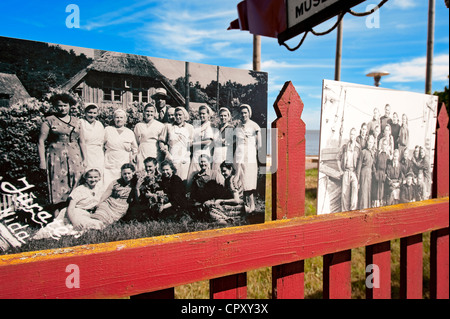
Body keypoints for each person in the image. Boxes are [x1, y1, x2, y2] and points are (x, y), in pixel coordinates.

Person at [38, 93, 87, 206]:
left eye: (65, 105)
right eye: (59, 105)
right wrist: (42, 161)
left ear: (70, 106)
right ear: (55, 106)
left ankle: (73, 210)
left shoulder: (77, 121)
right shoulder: (49, 120)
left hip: (74, 155)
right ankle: (57, 214)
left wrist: (85, 159)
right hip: (56, 156)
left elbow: (82, 141)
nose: (62, 108)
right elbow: (41, 141)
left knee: (76, 180)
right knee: (57, 183)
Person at [88, 163, 138, 229]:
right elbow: (106, 193)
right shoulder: (116, 182)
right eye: (124, 174)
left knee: (106, 220)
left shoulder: (136, 183)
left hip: (121, 207)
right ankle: (90, 225)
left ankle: (96, 227)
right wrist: (99, 203)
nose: (127, 176)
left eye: (129, 173)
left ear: (133, 173)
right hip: (109, 203)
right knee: (99, 213)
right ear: (121, 174)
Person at [234, 104, 261, 213]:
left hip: (249, 155)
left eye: (246, 112)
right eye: (242, 113)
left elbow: (259, 144)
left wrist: (254, 153)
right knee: (240, 179)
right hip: (239, 154)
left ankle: (252, 205)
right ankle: (243, 205)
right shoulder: (238, 127)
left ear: (249, 113)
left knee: (249, 180)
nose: (244, 114)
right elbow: (235, 140)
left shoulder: (255, 126)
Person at [103, 109, 138, 190]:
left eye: (121, 117)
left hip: (124, 160)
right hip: (110, 161)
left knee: (121, 184)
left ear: (125, 119)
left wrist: (133, 156)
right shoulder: (108, 130)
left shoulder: (129, 132)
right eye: (117, 117)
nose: (119, 120)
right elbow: (101, 144)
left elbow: (135, 149)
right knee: (108, 183)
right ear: (113, 119)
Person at [122, 157, 163, 222]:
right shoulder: (142, 178)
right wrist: (137, 187)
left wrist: (152, 195)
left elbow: (162, 194)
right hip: (144, 203)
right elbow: (139, 199)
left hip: (157, 202)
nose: (148, 169)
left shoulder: (160, 177)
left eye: (150, 166)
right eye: (146, 167)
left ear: (155, 166)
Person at [159, 107, 194, 182]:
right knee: (172, 180)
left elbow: (193, 143)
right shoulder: (168, 127)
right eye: (176, 115)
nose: (178, 117)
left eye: (180, 115)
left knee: (184, 181)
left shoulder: (190, 127)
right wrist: (166, 152)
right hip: (172, 157)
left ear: (184, 116)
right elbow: (161, 141)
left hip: (185, 158)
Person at [187, 105, 214, 189]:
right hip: (196, 153)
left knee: (204, 174)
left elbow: (208, 141)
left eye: (204, 114)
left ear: (208, 115)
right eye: (200, 114)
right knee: (193, 174)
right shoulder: (197, 126)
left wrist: (194, 144)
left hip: (204, 153)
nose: (202, 116)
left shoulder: (209, 126)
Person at [80, 103, 105, 187]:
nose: (92, 115)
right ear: (85, 112)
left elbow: (102, 141)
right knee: (88, 174)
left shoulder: (99, 124)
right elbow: (81, 141)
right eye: (90, 112)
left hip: (98, 153)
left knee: (99, 174)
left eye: (94, 113)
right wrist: (84, 157)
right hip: (86, 152)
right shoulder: (81, 122)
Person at [134, 103, 165, 170]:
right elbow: (136, 142)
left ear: (154, 113)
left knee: (154, 171)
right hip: (142, 151)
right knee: (142, 171)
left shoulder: (160, 125)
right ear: (144, 112)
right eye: (147, 111)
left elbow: (162, 141)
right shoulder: (138, 125)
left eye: (151, 111)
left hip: (154, 151)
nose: (149, 113)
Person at [337, 127, 360, 211]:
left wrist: (358, 174)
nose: (352, 136)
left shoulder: (358, 148)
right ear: (349, 135)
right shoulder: (345, 147)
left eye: (354, 134)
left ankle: (353, 211)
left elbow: (360, 162)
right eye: (351, 134)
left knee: (354, 193)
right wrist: (340, 170)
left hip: (354, 172)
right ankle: (344, 213)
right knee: (345, 194)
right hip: (346, 172)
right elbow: (338, 158)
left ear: (356, 135)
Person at [189, 154, 217, 220]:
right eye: (201, 162)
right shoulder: (196, 176)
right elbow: (193, 192)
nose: (203, 163)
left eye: (205, 161)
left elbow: (220, 189)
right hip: (200, 200)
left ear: (209, 162)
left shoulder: (214, 174)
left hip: (213, 200)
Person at [211, 107, 235, 185]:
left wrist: (219, 141)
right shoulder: (217, 128)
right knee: (215, 171)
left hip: (225, 152)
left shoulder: (230, 127)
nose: (223, 118)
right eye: (221, 116)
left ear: (228, 116)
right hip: (217, 152)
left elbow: (228, 142)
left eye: (225, 116)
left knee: (224, 171)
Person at [356, 134, 375, 209]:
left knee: (368, 193)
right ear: (367, 142)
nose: (370, 144)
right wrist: (358, 180)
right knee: (363, 193)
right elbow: (359, 166)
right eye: (369, 142)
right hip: (363, 174)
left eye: (372, 142)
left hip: (369, 175)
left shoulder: (372, 153)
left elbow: (373, 166)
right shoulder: (363, 152)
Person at [372, 138, 390, 207]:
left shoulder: (387, 155)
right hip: (377, 173)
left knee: (382, 191)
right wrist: (375, 173)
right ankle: (375, 206)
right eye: (383, 144)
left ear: (387, 146)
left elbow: (388, 166)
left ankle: (381, 206)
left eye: (386, 145)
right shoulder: (377, 153)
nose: (384, 146)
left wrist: (386, 174)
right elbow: (373, 164)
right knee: (376, 191)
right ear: (381, 145)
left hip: (383, 175)